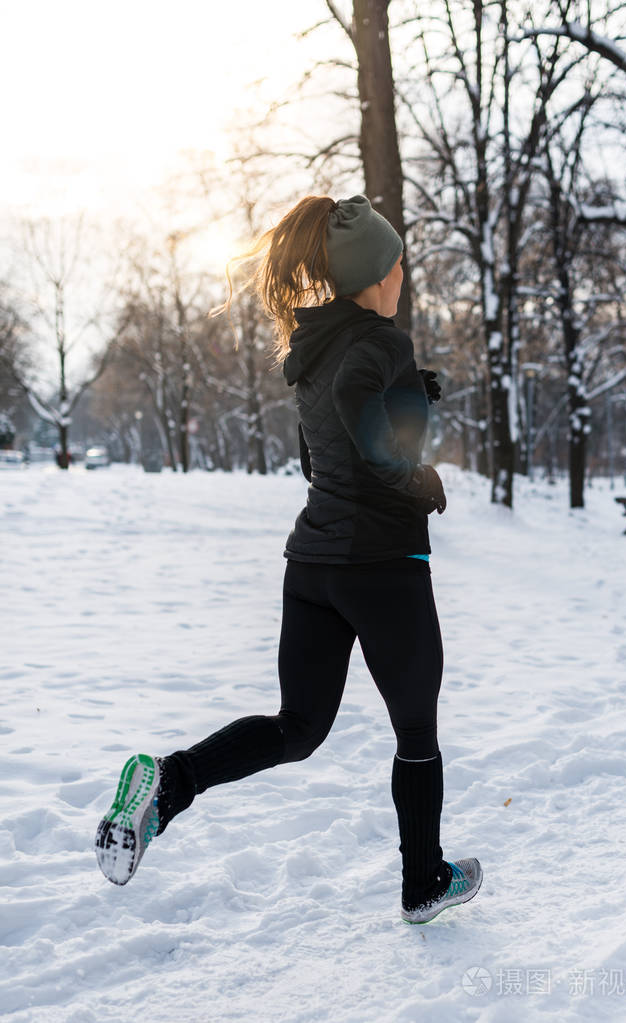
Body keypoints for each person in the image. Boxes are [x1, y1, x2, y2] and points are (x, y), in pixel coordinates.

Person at [95, 195, 483, 924]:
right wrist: (418, 480)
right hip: (383, 567)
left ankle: (167, 783)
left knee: (297, 727)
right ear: (377, 273)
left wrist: (410, 400)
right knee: (416, 734)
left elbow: (321, 448)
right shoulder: (376, 341)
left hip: (313, 568)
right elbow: (365, 427)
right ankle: (423, 880)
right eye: (397, 261)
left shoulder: (315, 345)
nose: (403, 272)